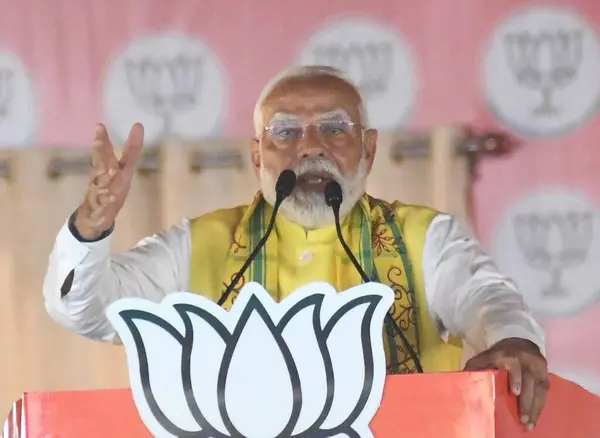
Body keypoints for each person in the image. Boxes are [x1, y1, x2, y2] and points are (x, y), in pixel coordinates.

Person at [43, 65, 548, 431]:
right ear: (258, 154)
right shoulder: (201, 243)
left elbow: (488, 297)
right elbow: (86, 310)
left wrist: (513, 340)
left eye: (333, 128)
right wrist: (91, 228)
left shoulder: (424, 238)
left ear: (368, 149)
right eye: (285, 131)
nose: (310, 146)